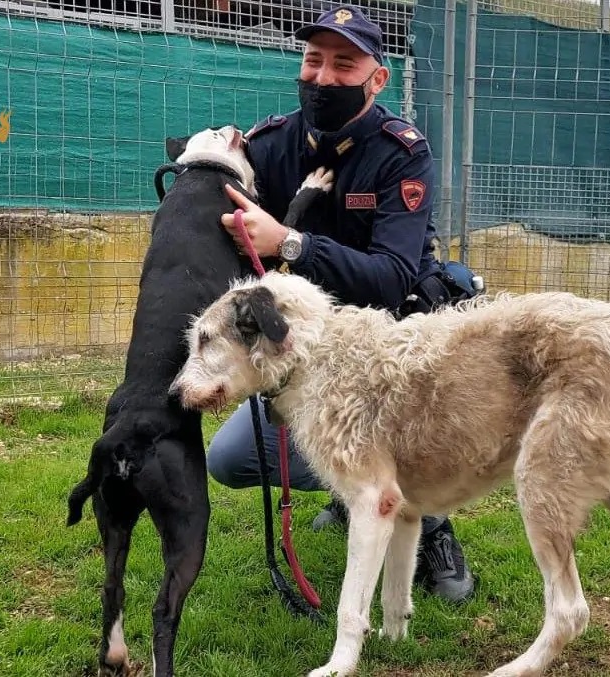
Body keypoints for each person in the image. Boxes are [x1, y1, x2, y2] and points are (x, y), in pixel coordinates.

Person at [205, 4, 476, 604]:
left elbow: (392, 275)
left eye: (343, 65)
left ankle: (429, 520)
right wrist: (210, 166)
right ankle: (352, 481)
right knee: (227, 461)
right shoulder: (272, 145)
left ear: (377, 79)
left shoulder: (400, 152)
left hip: (386, 347)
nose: (323, 78)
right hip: (305, 353)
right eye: (313, 60)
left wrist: (291, 243)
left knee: (402, 443)